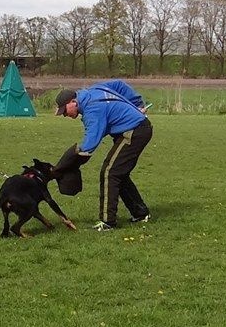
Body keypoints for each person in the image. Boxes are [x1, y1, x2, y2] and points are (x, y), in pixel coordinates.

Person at [54, 80, 152, 231]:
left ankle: (108, 222)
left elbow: (90, 143)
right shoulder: (94, 90)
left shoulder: (92, 109)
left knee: (109, 172)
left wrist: (69, 161)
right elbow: (119, 84)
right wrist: (136, 104)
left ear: (73, 102)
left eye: (65, 111)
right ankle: (140, 213)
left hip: (134, 132)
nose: (64, 115)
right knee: (119, 172)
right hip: (134, 129)